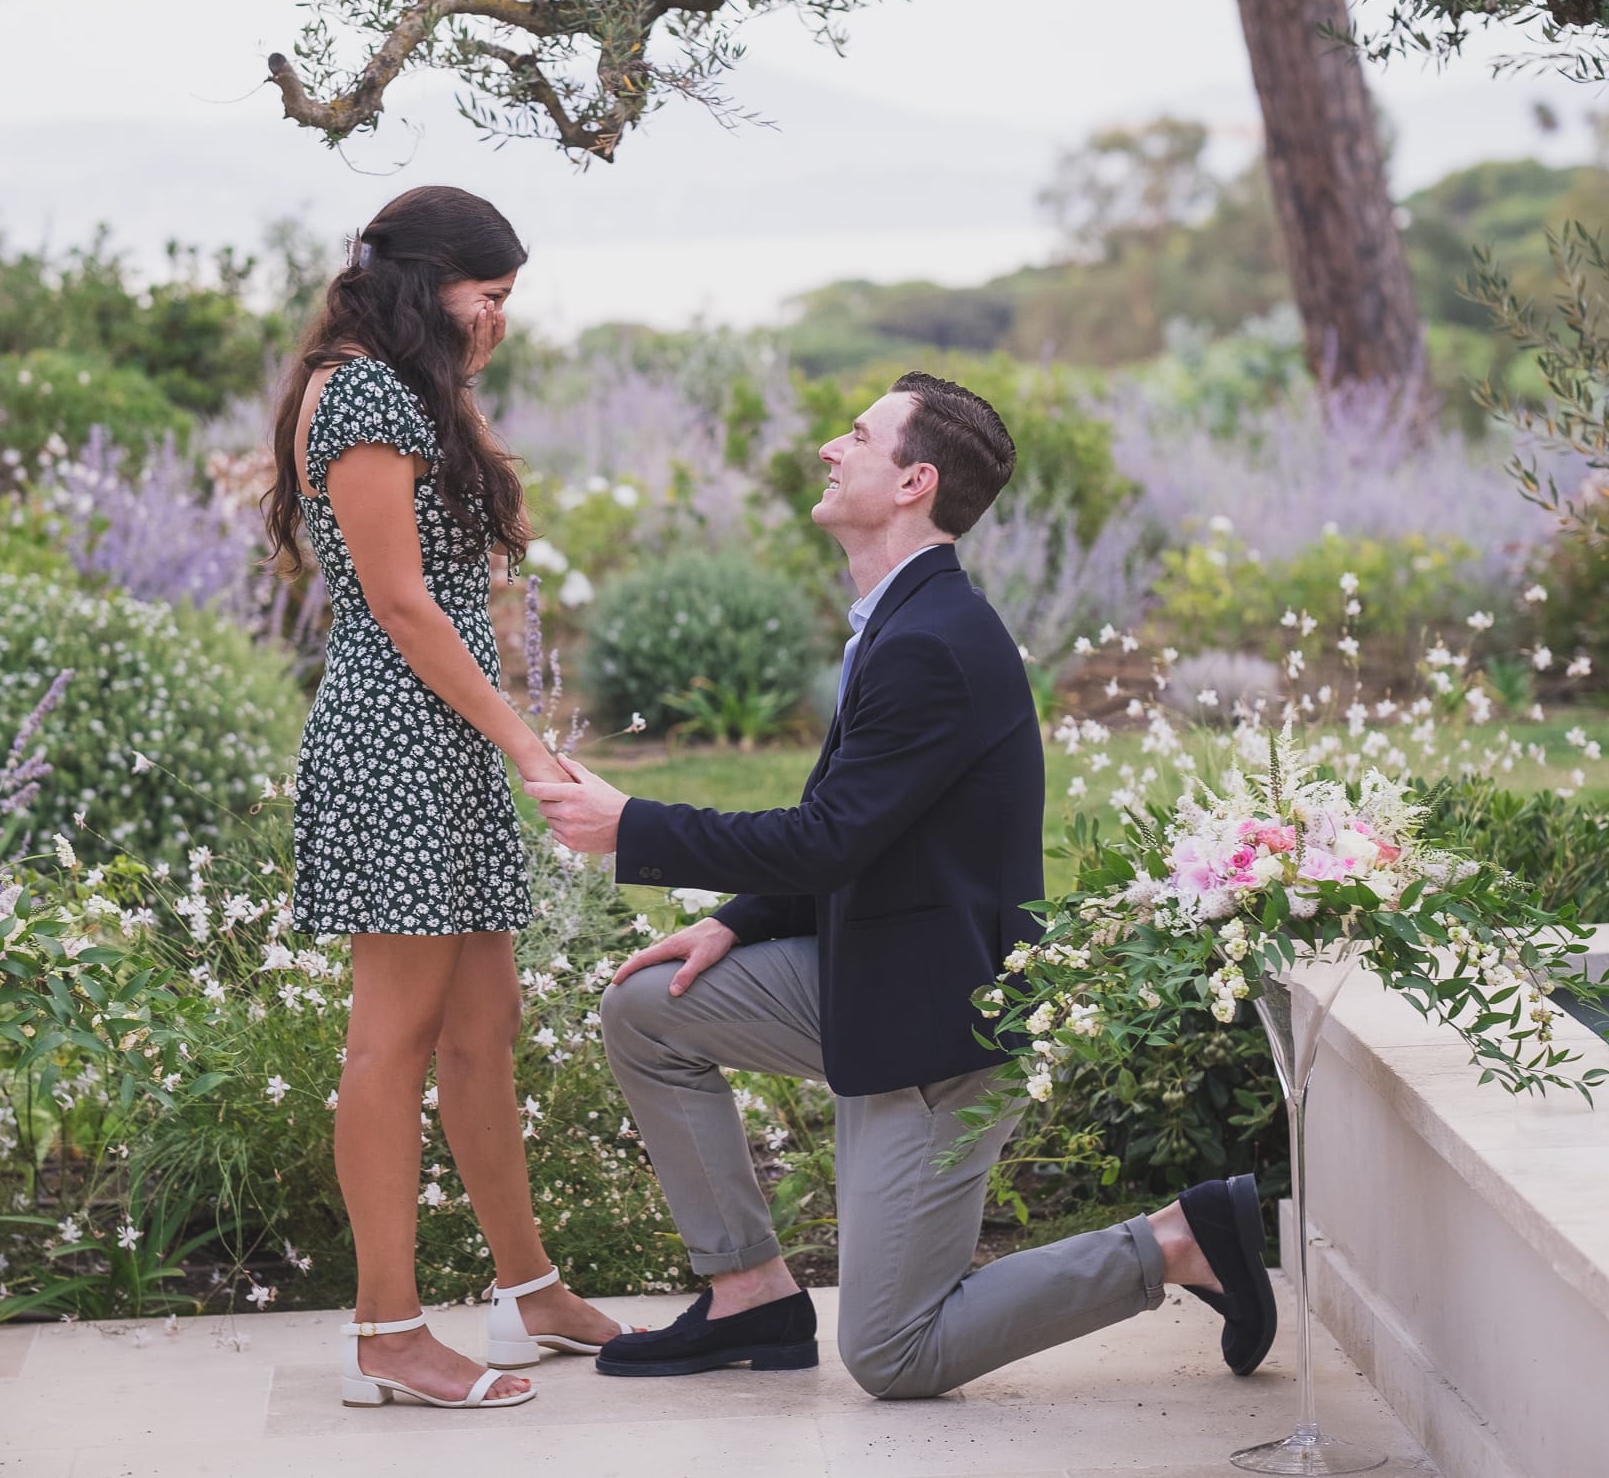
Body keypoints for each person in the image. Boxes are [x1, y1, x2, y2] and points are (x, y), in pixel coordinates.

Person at [525, 373, 1277, 1398]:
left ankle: (1175, 1239)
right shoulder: (899, 618)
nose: (831, 448)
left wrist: (632, 827)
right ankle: (749, 1289)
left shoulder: (932, 642)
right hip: (872, 971)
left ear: (914, 480)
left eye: (858, 435)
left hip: (940, 1024)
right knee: (648, 1007)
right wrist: (738, 925)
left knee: (894, 1352)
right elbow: (870, 826)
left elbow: (832, 835)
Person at [262, 185, 630, 1412]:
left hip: (442, 741)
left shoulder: (406, 385)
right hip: (399, 743)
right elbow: (403, 603)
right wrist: (530, 748)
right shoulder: (363, 390)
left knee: (485, 1024)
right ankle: (386, 1332)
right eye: (491, 294)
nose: (499, 319)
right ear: (427, 280)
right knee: (395, 1034)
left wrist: (503, 747)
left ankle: (529, 1290)